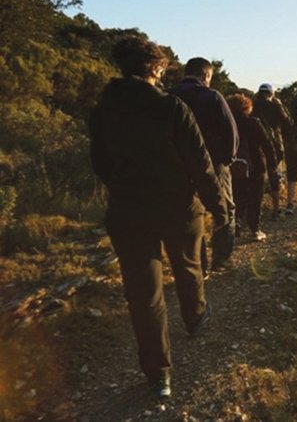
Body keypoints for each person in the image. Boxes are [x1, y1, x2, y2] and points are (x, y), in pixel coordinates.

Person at [89, 37, 226, 398]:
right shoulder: (173, 108)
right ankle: (195, 317)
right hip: (177, 207)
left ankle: (158, 376)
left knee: (143, 294)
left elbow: (100, 162)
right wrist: (220, 209)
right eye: (162, 67)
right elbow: (201, 166)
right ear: (154, 68)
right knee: (189, 265)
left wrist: (124, 187)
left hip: (127, 211)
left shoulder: (103, 109)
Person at [170, 58, 238, 274]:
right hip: (213, 163)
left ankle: (198, 264)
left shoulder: (170, 96)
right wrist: (227, 159)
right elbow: (230, 132)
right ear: (206, 75)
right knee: (225, 208)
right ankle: (222, 258)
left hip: (179, 165)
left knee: (189, 213)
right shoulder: (213, 97)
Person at [227, 93, 276, 241]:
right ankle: (255, 230)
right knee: (255, 199)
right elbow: (267, 144)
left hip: (234, 167)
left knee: (237, 197)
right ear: (247, 107)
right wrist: (272, 164)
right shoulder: (254, 123)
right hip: (256, 166)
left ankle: (235, 227)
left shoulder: (228, 124)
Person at [251, 84, 285, 217]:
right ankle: (276, 210)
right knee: (274, 177)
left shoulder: (252, 106)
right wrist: (280, 105)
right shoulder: (275, 106)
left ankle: (254, 211)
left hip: (256, 146)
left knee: (257, 179)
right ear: (271, 94)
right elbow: (287, 122)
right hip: (275, 145)